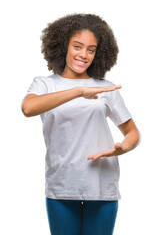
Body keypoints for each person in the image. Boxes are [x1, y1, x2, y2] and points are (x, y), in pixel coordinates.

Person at [21, 13, 140, 235]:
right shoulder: (45, 84)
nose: (83, 55)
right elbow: (28, 108)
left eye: (91, 49)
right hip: (61, 186)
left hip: (101, 186)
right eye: (77, 46)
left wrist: (122, 148)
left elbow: (132, 132)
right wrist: (78, 91)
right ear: (63, 45)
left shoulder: (105, 88)